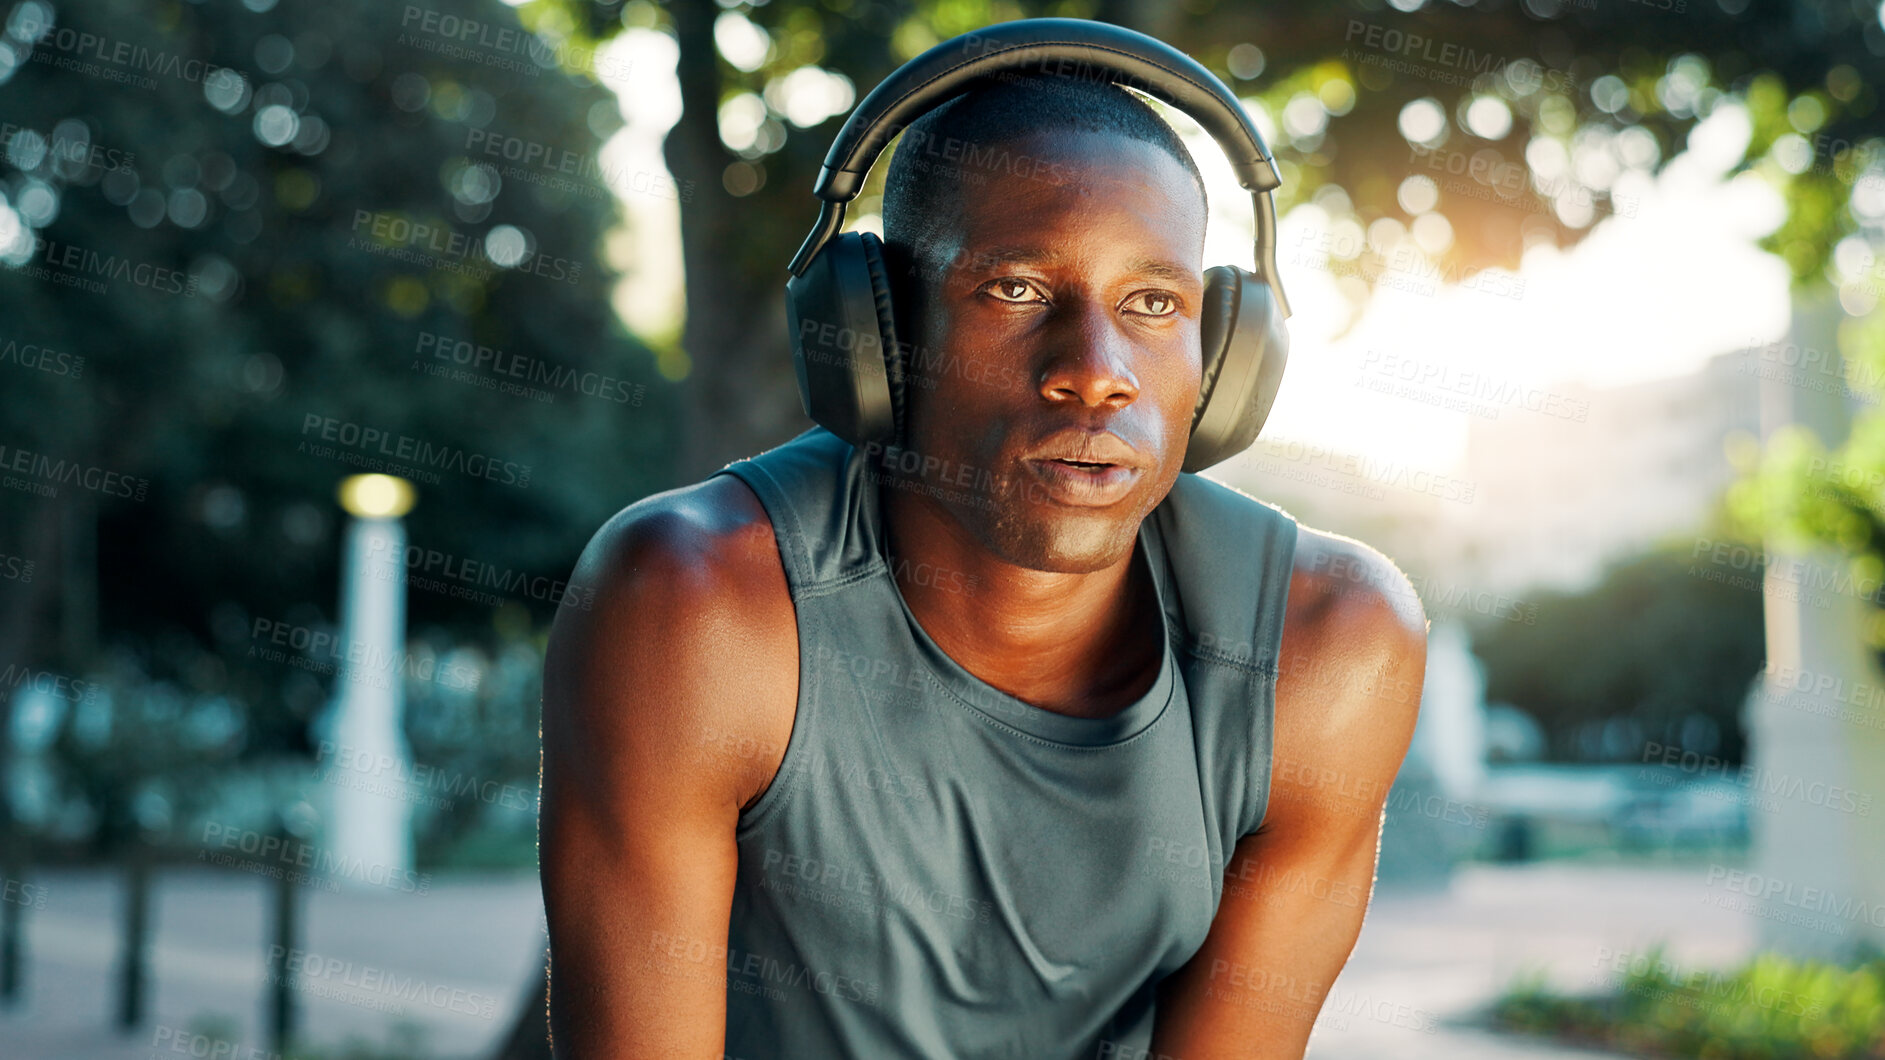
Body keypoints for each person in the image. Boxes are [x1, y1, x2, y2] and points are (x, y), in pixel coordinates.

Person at [539, 63, 1427, 1060]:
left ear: (1225, 365)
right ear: (878, 336)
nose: (1094, 370)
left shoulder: (1326, 647)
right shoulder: (693, 603)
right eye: (1015, 287)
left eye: (1150, 302)